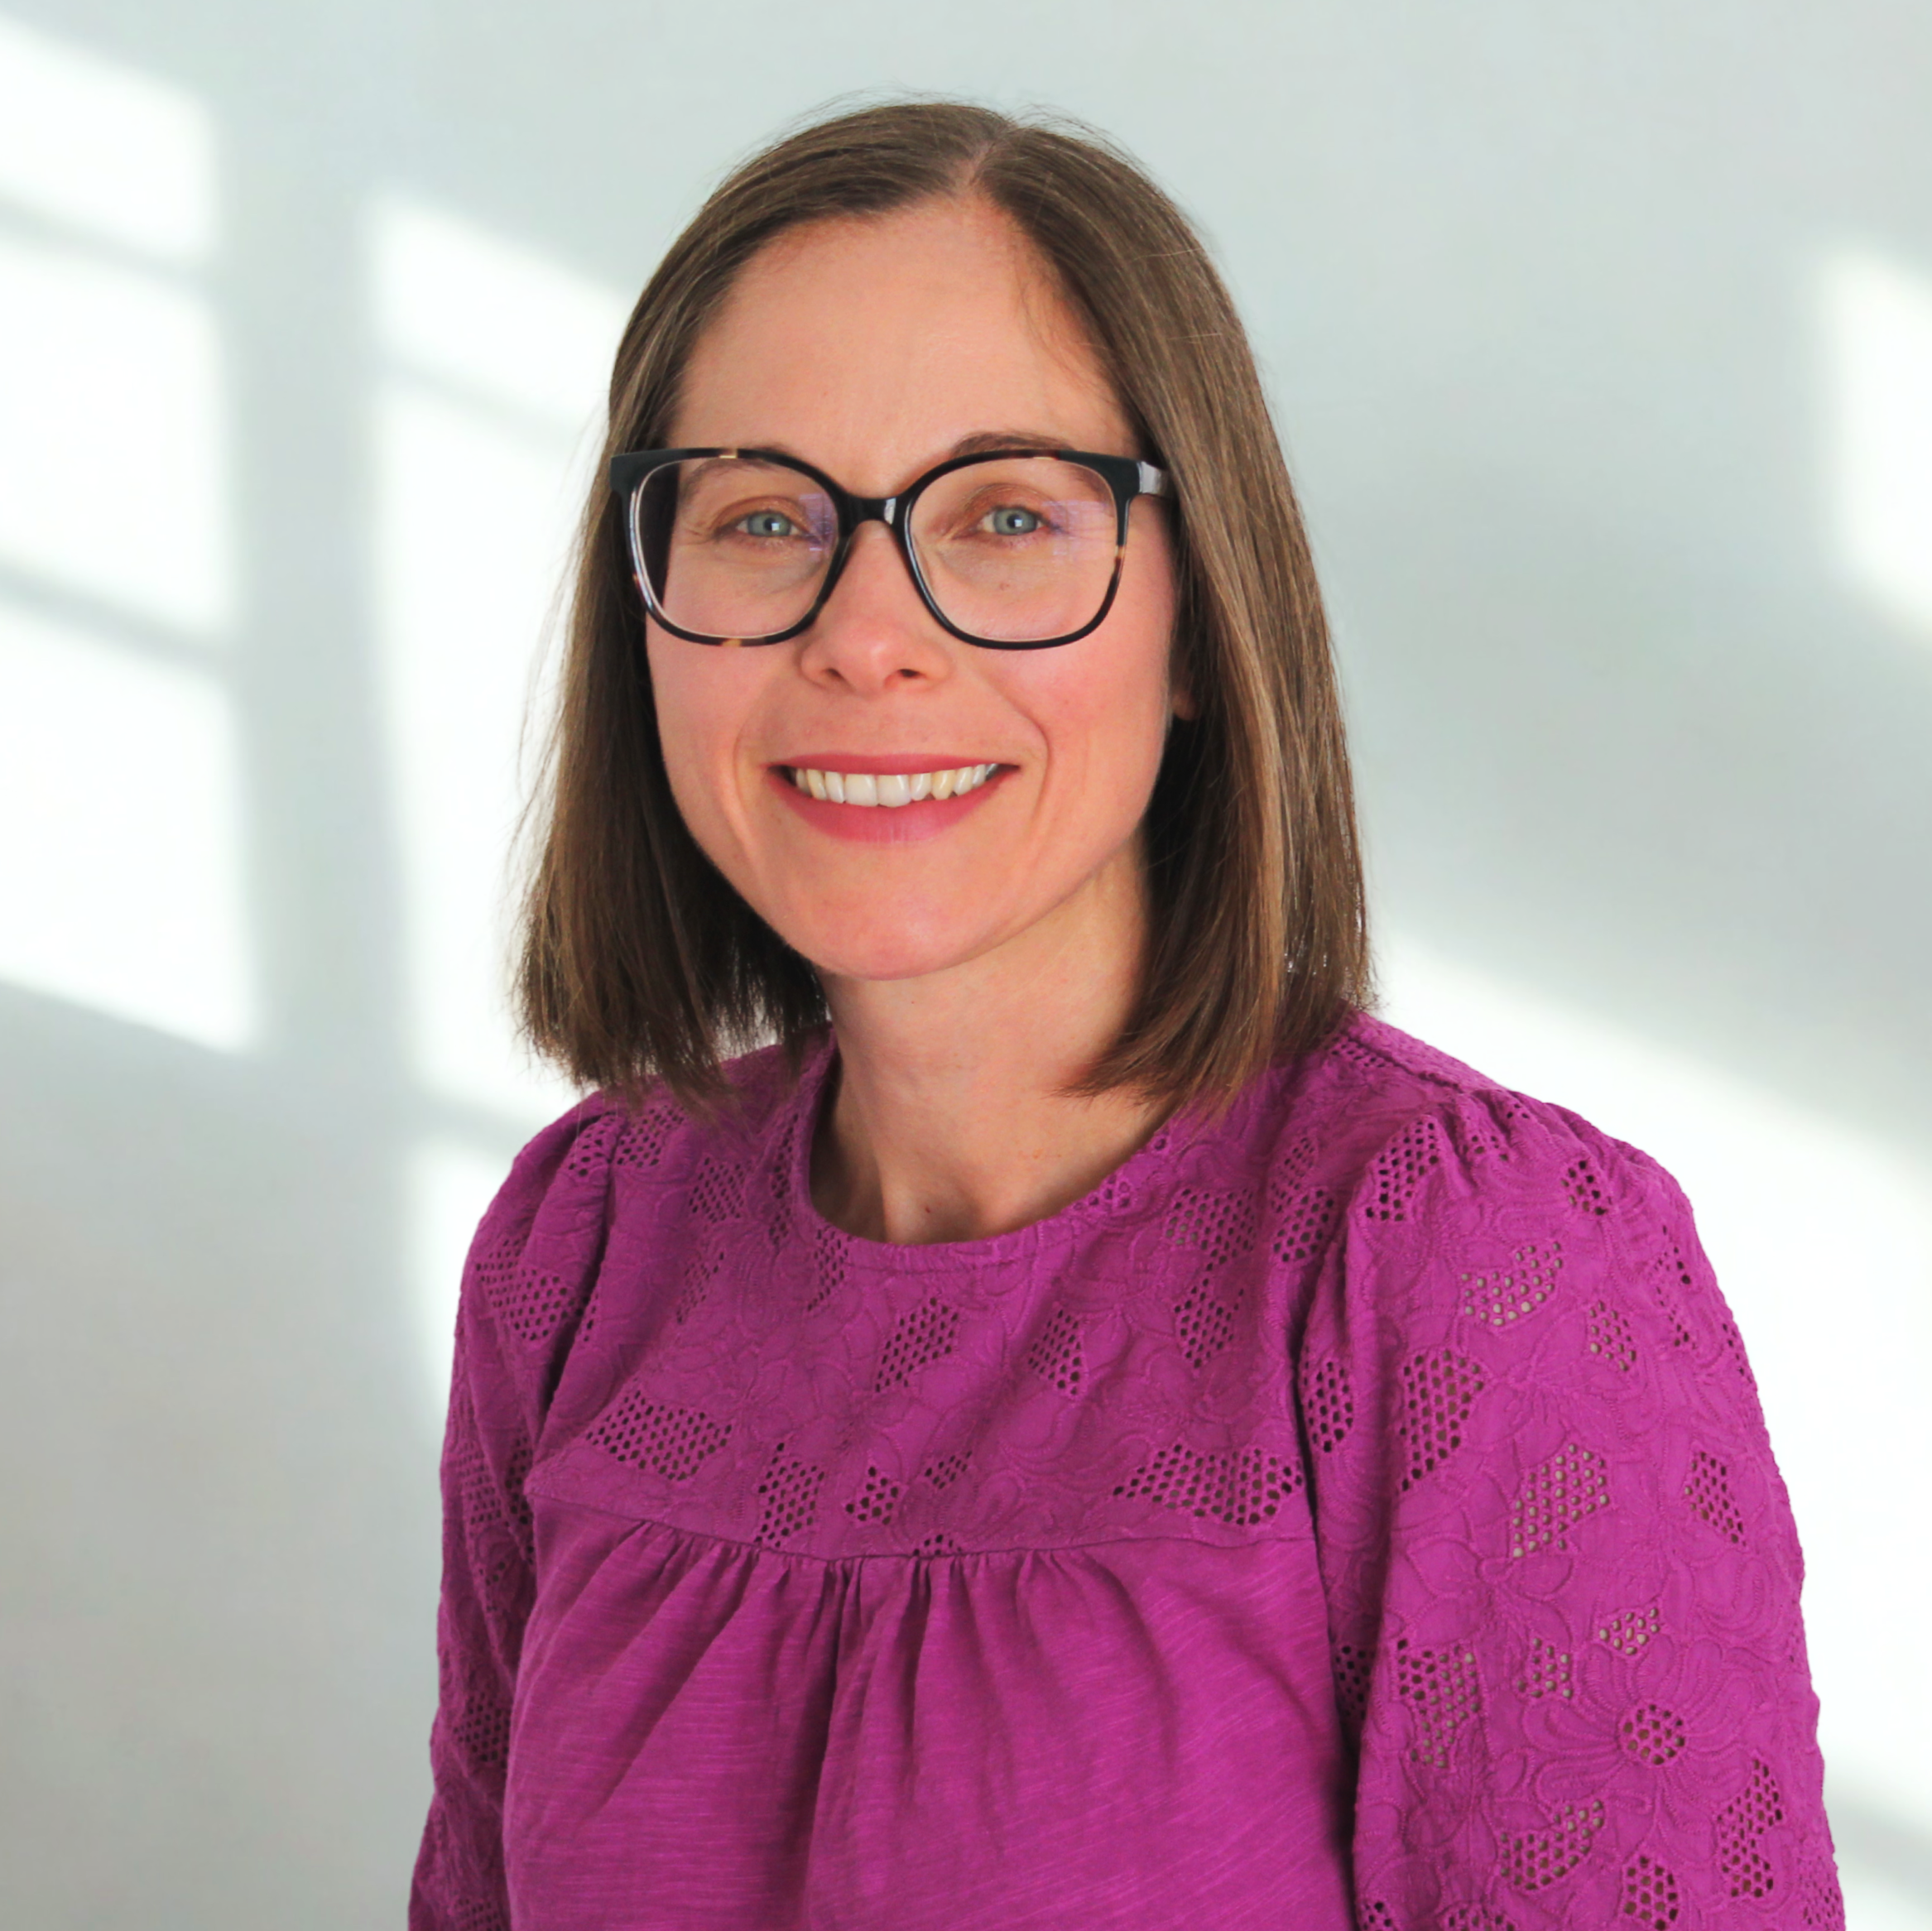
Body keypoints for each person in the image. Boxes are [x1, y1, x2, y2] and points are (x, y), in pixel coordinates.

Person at [410, 101, 1838, 1931]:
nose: (865, 634)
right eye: (764, 516)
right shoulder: (587, 1235)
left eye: (1005, 516)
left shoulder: (1470, 1255)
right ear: (649, 609)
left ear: (1194, 620)